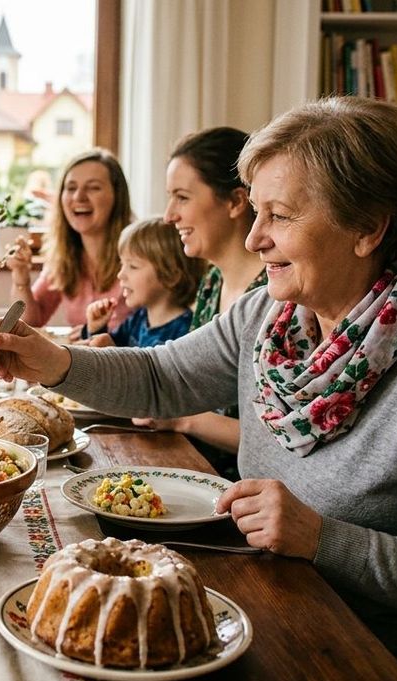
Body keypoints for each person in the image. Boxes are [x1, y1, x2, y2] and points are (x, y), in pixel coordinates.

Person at [0, 96, 397, 681]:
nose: (255, 237)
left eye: (280, 215)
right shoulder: (273, 314)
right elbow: (163, 376)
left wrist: (324, 538)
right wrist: (54, 361)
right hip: (279, 605)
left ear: (368, 227)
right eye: (256, 211)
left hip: (389, 664)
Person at [133, 127, 270, 471]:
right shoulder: (211, 283)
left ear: (236, 201)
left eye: (182, 197)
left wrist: (183, 419)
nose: (168, 215)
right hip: (195, 467)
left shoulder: (276, 294)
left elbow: (277, 444)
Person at [6, 148, 135, 330]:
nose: (78, 197)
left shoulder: (141, 252)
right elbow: (29, 323)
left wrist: (89, 334)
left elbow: (157, 328)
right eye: (71, 188)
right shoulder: (63, 256)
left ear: (117, 196)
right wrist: (21, 277)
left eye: (93, 188)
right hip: (84, 359)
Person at [81, 217, 205, 347]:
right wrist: (97, 330)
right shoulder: (138, 319)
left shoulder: (186, 333)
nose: (120, 275)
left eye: (133, 266)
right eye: (122, 265)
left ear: (171, 276)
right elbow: (104, 353)